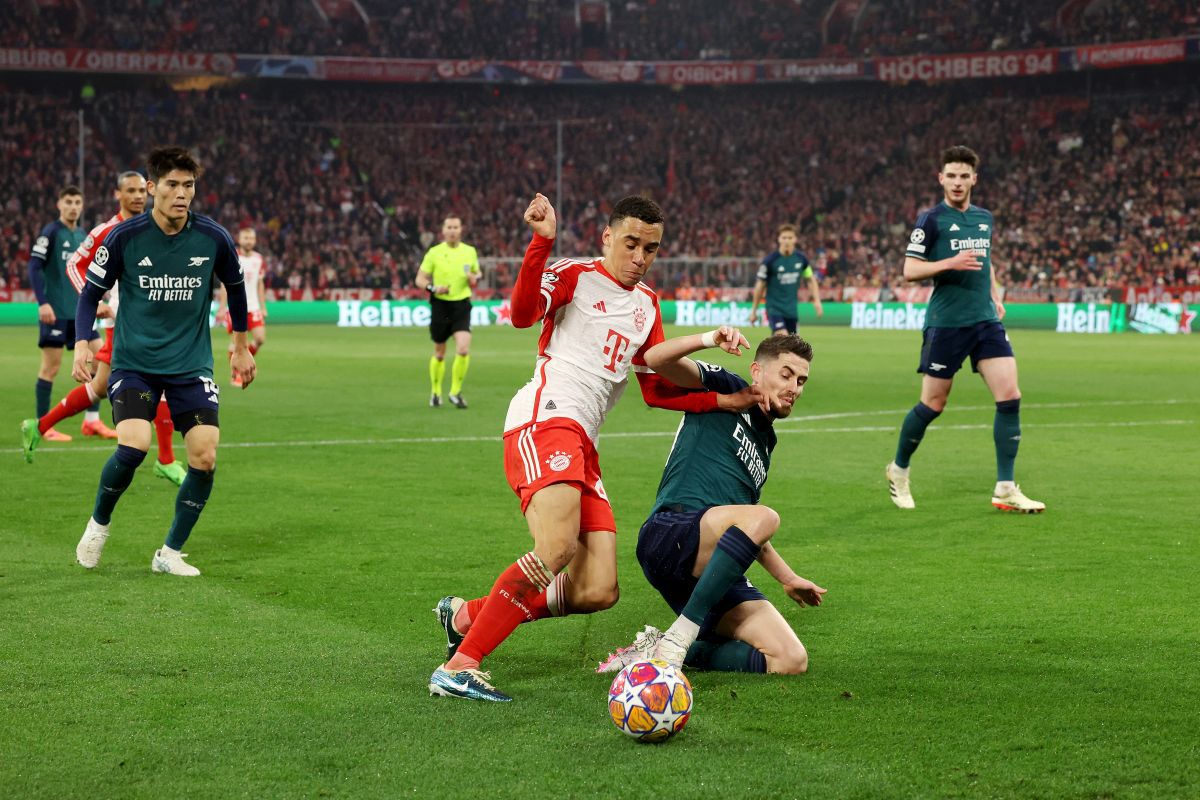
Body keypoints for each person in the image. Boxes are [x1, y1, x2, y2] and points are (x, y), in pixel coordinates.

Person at [428, 193, 757, 702]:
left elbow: (654, 387)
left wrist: (723, 400)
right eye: (632, 243)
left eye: (651, 248)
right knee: (556, 548)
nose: (641, 257)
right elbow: (520, 315)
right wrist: (541, 242)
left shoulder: (647, 304)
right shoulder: (574, 274)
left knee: (598, 588)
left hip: (584, 440)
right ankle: (460, 665)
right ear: (607, 237)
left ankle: (466, 616)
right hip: (547, 417)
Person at [71, 146, 256, 576]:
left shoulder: (213, 237)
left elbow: (237, 289)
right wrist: (83, 341)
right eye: (171, 184)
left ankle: (169, 552)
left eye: (188, 185)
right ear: (152, 188)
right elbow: (90, 294)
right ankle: (98, 524)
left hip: (191, 364)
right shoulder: (124, 237)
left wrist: (241, 343)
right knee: (134, 446)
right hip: (135, 362)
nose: (181, 194)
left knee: (205, 457)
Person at [597, 331, 826, 675]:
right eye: (786, 374)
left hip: (713, 564)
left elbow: (749, 529)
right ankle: (681, 636)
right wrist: (708, 339)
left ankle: (657, 649)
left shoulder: (766, 444)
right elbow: (654, 360)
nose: (795, 387)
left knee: (789, 659)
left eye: (801, 380)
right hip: (671, 535)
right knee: (765, 516)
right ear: (758, 371)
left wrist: (788, 578)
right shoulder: (725, 385)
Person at [885, 145, 1044, 513]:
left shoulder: (985, 218)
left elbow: (984, 262)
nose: (957, 182)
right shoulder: (931, 220)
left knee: (1010, 396)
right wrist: (949, 262)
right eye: (951, 176)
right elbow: (909, 270)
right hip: (946, 324)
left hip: (985, 321)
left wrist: (995, 295)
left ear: (975, 178)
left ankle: (1005, 486)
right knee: (933, 404)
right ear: (941, 178)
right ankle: (899, 469)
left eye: (964, 176)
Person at [21, 171, 187, 485]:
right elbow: (74, 265)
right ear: (117, 194)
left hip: (140, 322)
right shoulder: (105, 231)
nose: (138, 196)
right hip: (126, 325)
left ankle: (39, 425)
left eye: (142, 190)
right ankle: (166, 459)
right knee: (163, 380)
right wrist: (93, 298)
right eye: (131, 191)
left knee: (99, 387)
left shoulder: (155, 226)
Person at [28, 185, 98, 442]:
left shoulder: (82, 235)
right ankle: (42, 427)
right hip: (55, 313)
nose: (73, 206)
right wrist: (42, 303)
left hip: (81, 312)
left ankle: (92, 421)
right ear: (59, 204)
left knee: (100, 359)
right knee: (51, 368)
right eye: (68, 201)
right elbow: (34, 267)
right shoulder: (51, 232)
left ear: (82, 205)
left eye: (77, 202)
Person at [415, 216, 480, 409]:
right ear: (443, 231)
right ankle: (436, 392)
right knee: (440, 353)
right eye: (449, 227)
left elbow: (476, 276)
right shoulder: (434, 253)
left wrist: (473, 278)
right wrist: (433, 288)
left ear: (461, 229)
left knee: (463, 348)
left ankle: (455, 392)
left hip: (461, 305)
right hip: (440, 306)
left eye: (455, 227)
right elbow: (419, 279)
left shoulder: (470, 252)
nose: (452, 230)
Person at [216, 226, 268, 387]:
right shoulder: (233, 256)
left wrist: (263, 305)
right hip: (235, 306)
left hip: (253, 306)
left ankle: (244, 361)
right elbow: (225, 284)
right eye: (245, 238)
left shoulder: (259, 259)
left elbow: (260, 284)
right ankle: (237, 373)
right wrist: (222, 307)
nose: (249, 241)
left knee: (260, 339)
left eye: (251, 238)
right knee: (238, 342)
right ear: (239, 240)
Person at [749, 224, 823, 335]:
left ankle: (770, 351)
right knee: (782, 336)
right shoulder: (770, 261)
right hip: (774, 308)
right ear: (779, 239)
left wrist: (817, 301)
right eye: (784, 238)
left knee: (792, 344)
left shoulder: (801, 259)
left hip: (791, 310)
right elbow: (760, 285)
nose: (787, 241)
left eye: (790, 238)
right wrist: (754, 310)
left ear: (795, 239)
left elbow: (811, 280)